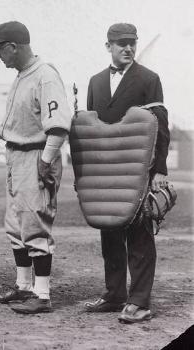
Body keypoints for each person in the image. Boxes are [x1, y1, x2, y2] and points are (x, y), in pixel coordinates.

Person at [0, 21, 72, 314]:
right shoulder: (23, 75)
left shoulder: (45, 76)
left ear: (13, 46)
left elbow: (58, 127)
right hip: (17, 156)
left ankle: (43, 295)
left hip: (36, 155)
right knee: (15, 226)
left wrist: (45, 161)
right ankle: (23, 287)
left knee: (35, 226)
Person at [84, 23, 169, 323]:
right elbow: (91, 132)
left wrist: (159, 170)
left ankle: (140, 301)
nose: (128, 48)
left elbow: (160, 125)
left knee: (139, 235)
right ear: (108, 46)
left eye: (132, 43)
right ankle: (114, 294)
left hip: (139, 171)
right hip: (105, 173)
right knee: (110, 233)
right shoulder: (95, 82)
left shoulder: (148, 78)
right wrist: (87, 176)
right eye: (121, 43)